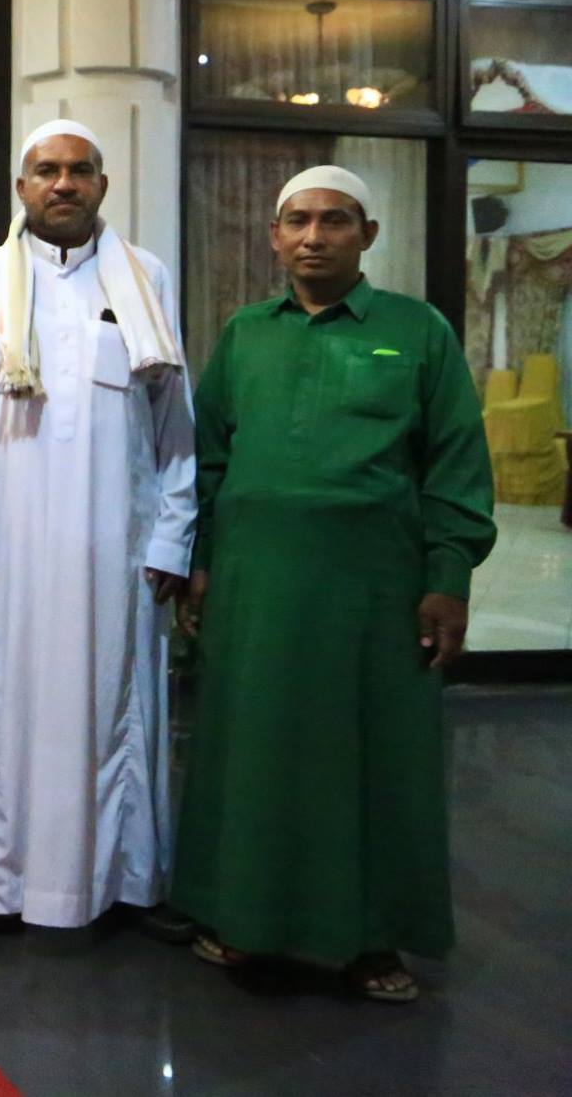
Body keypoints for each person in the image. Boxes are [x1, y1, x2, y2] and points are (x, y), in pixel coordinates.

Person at [172, 165, 495, 1004]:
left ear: (368, 236)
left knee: (372, 761)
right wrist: (201, 562)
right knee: (252, 752)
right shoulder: (247, 333)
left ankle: (369, 937)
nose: (314, 236)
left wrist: (447, 573)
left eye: (335, 221)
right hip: (252, 584)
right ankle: (239, 918)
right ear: (274, 237)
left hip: (372, 591)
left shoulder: (416, 332)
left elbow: (456, 461)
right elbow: (207, 461)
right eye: (298, 221)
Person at [0, 119, 196, 934]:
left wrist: (171, 538)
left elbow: (174, 425)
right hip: (9, 549)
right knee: (7, 708)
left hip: (116, 549)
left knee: (116, 703)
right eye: (45, 171)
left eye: (80, 170)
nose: (63, 184)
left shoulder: (144, 277)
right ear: (21, 188)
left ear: (102, 185)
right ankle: (2, 883)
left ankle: (119, 881)